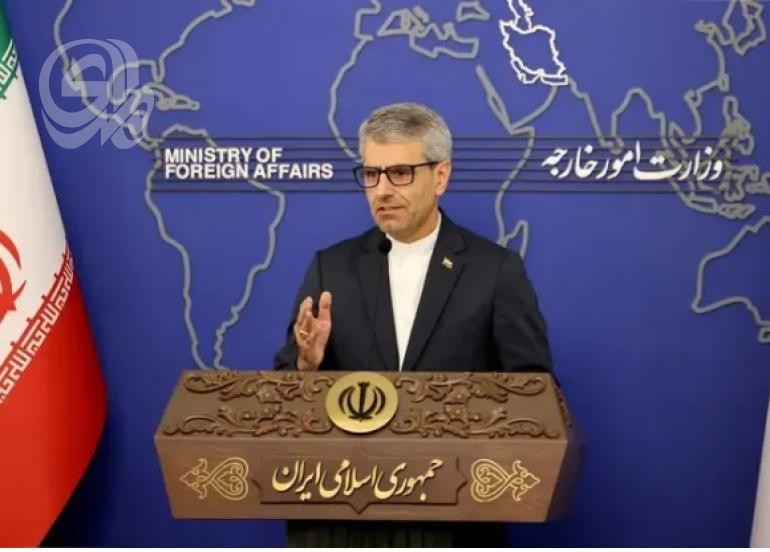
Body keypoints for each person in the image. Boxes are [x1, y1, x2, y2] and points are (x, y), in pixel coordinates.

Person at [273, 102, 553, 546]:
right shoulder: (332, 268)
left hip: (451, 523)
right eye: (371, 174)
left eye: (400, 173)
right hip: (343, 522)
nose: (382, 190)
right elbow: (280, 397)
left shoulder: (495, 271)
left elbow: (532, 395)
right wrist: (307, 366)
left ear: (440, 176)